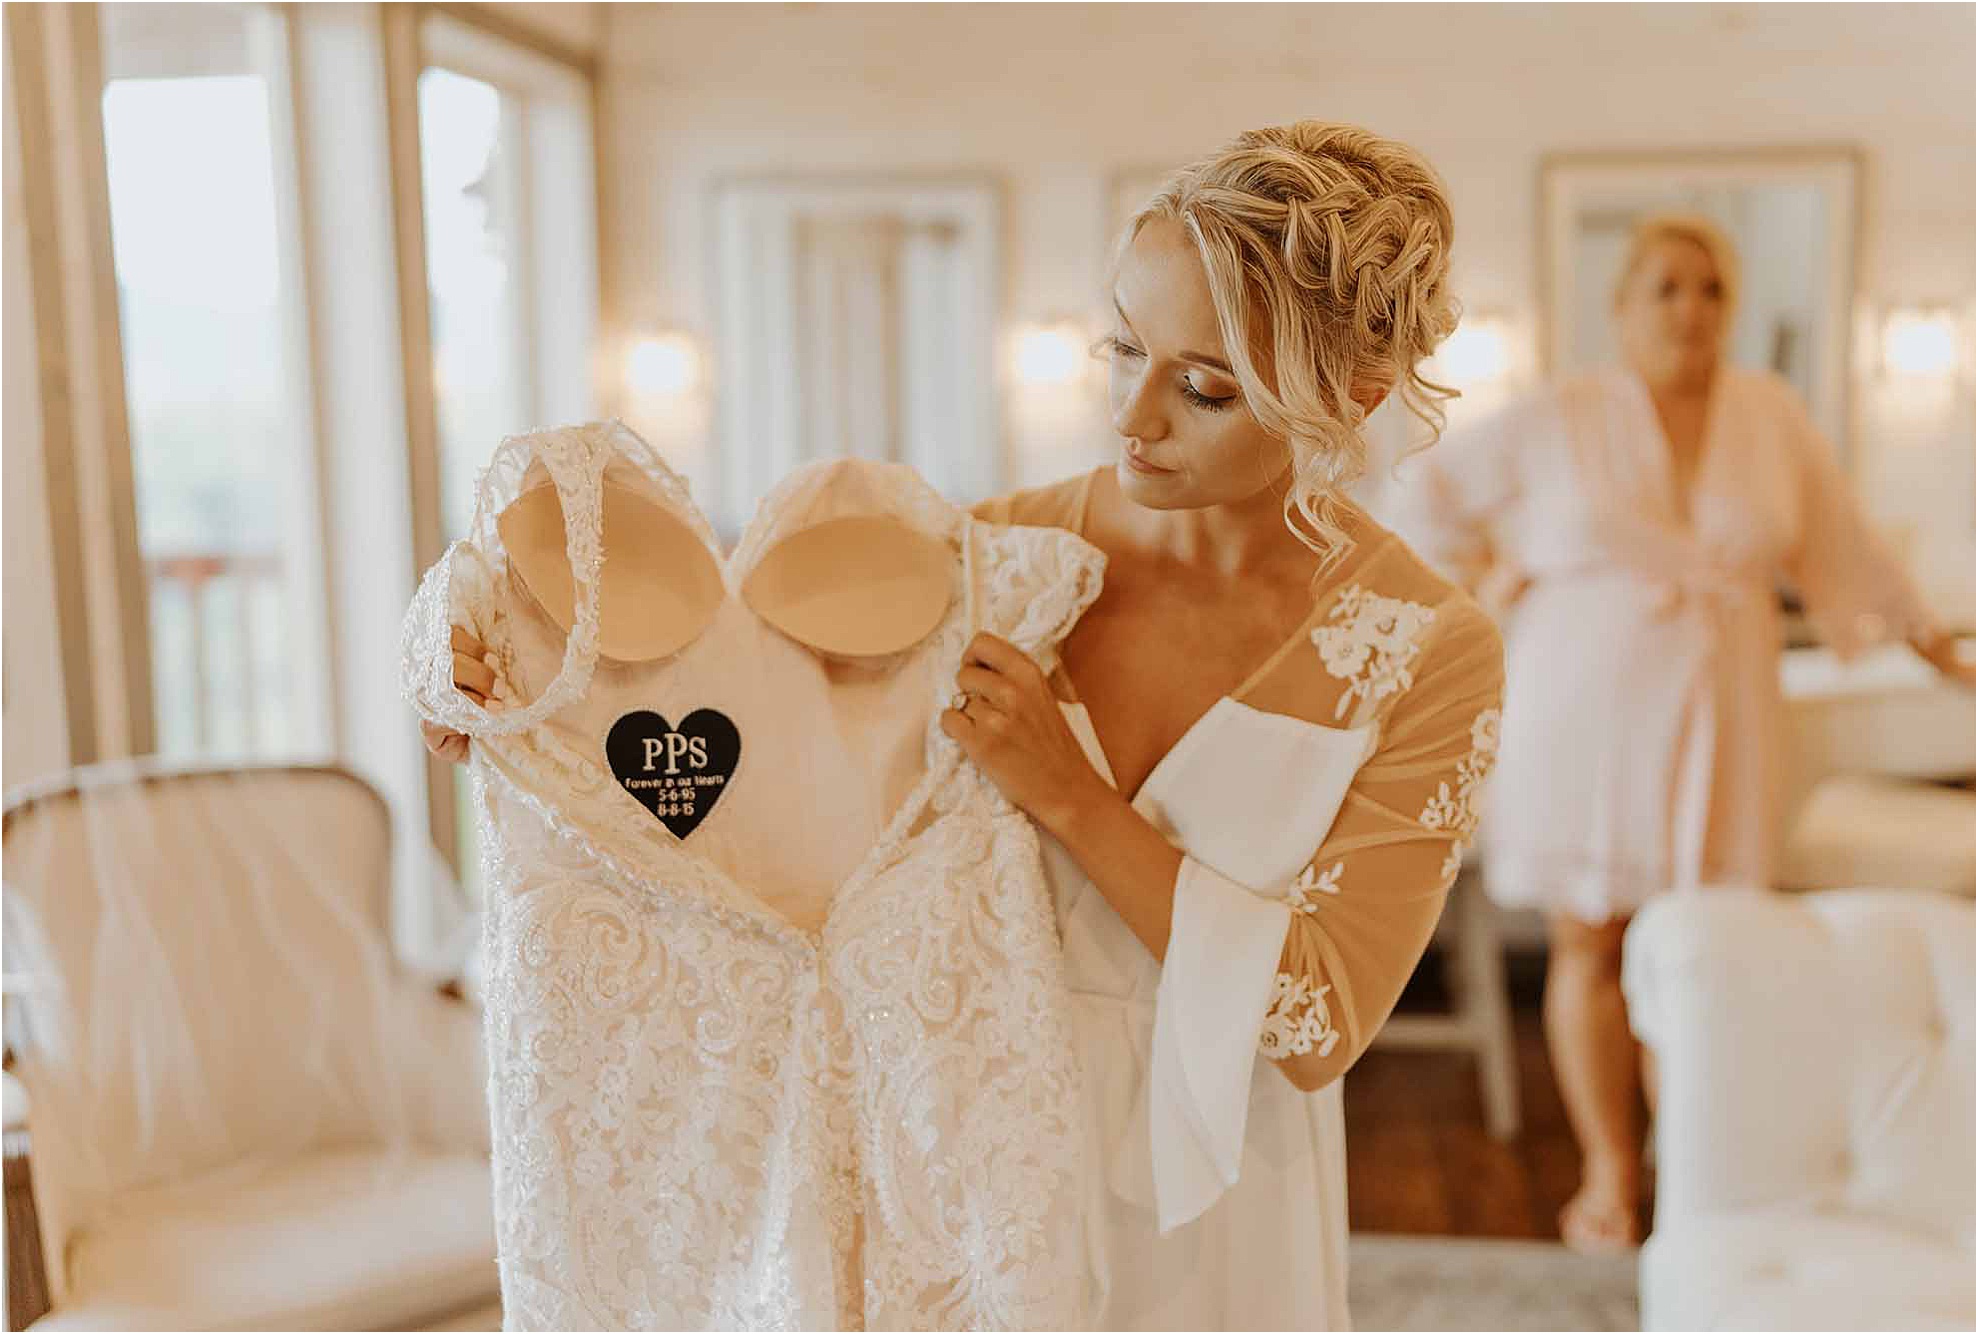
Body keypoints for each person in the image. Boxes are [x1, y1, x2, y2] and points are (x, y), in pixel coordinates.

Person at [429, 120, 1505, 1329]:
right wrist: (538, 704)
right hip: (956, 1135)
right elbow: (759, 766)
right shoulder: (991, 555)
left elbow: (1312, 1020)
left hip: (1219, 1178)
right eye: (1123, 347)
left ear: (1349, 395)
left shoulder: (1425, 643)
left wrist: (1072, 796)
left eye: (1202, 386)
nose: (1133, 414)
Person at [1381, 212, 1976, 1253]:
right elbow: (1419, 490)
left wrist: (1940, 655)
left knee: (1709, 938)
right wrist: (1479, 588)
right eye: (1664, 286)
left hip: (1724, 710)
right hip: (1580, 711)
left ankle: (1700, 1164)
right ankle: (1610, 1169)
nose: (1689, 308)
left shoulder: (1771, 415)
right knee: (1589, 932)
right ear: (1620, 307)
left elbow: (1843, 546)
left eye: (1709, 288)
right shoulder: (1560, 413)